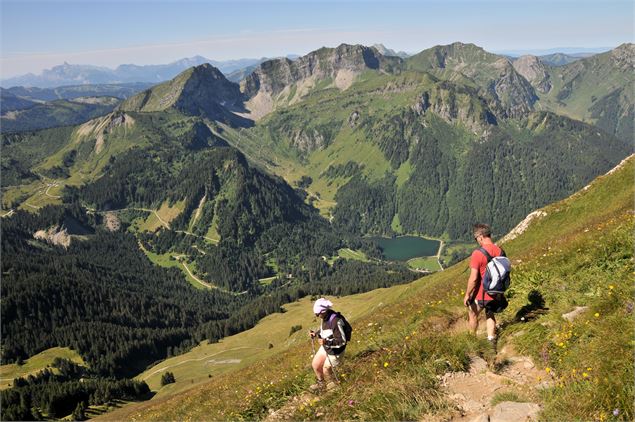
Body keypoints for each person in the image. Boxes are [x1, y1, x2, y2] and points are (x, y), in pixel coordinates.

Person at [463, 223, 504, 349]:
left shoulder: (478, 253)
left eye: (476, 239)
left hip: (482, 293)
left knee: (473, 314)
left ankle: (472, 342)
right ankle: (491, 341)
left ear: (480, 236)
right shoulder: (500, 251)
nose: (477, 242)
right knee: (490, 313)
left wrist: (467, 294)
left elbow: (474, 278)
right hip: (496, 292)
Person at [309, 298, 348, 392]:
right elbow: (325, 331)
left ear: (323, 311)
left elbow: (342, 341)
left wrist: (326, 342)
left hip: (336, 350)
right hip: (327, 347)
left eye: (318, 314)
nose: (317, 316)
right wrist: (316, 333)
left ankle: (332, 388)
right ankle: (322, 384)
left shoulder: (335, 321)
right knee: (315, 364)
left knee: (326, 369)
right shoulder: (325, 317)